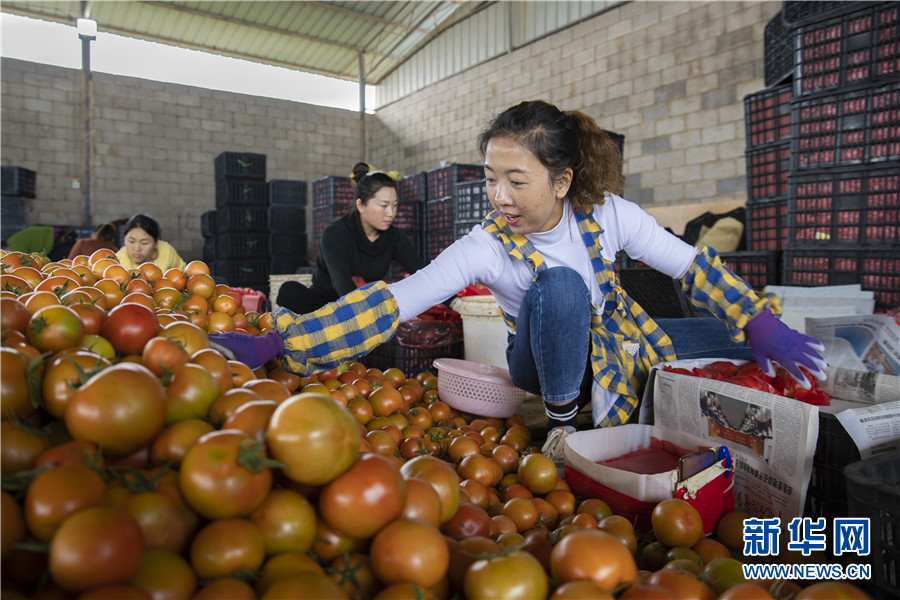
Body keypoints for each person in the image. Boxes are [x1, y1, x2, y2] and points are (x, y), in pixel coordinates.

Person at [210, 100, 826, 460]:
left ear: (561, 181)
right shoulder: (483, 246)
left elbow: (689, 265)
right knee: (559, 287)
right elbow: (393, 301)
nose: (499, 196)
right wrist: (284, 341)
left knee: (736, 341)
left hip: (614, 342)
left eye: (516, 181)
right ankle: (563, 427)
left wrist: (757, 320)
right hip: (537, 361)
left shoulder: (611, 215)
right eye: (490, 178)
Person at [275, 168, 427, 314]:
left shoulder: (394, 237)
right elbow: (341, 282)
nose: (391, 213)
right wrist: (363, 317)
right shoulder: (336, 232)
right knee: (289, 292)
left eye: (394, 206)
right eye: (384, 205)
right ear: (361, 205)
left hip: (366, 303)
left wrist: (445, 299)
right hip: (327, 305)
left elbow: (422, 272)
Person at [115, 213, 186, 271]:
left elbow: (184, 273)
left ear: (156, 243)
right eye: (131, 241)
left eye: (144, 243)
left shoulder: (166, 251)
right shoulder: (119, 261)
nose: (137, 248)